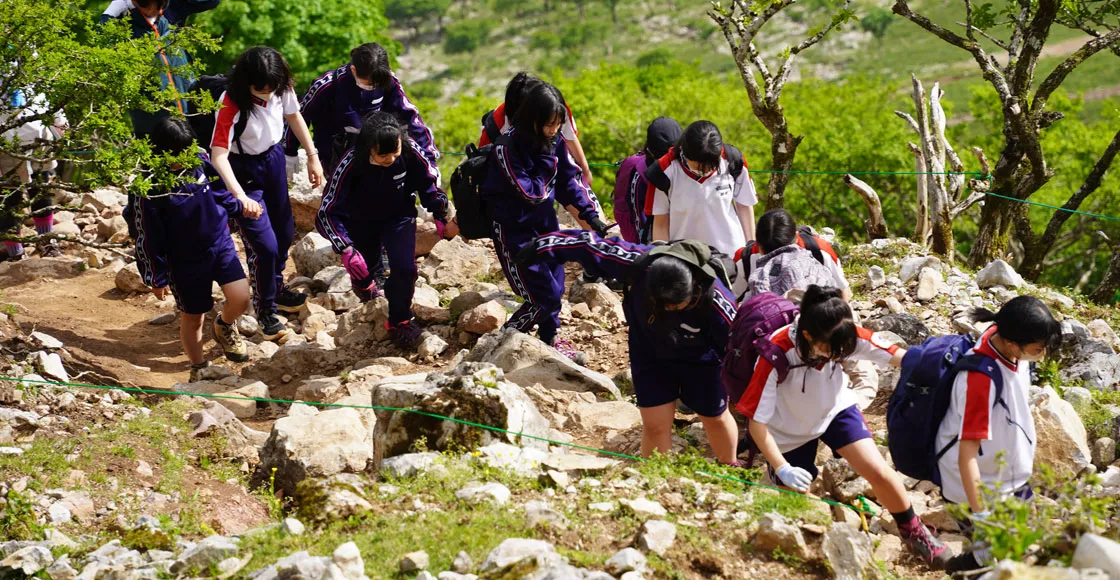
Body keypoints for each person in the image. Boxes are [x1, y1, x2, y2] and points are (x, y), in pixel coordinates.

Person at [738, 285, 952, 569]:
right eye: (831, 350)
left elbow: (902, 356)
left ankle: (915, 534)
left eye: (844, 350)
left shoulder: (843, 335)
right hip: (787, 432)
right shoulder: (776, 353)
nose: (838, 355)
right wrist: (780, 467)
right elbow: (757, 424)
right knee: (796, 503)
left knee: (879, 471)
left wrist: (948, 368)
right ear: (807, 336)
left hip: (835, 410)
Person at [518, 230, 740, 464]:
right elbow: (589, 246)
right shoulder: (637, 263)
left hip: (701, 361)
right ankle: (656, 477)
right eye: (660, 304)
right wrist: (540, 246)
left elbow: (740, 351)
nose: (668, 310)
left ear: (694, 286)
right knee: (655, 425)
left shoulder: (717, 304)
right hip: (650, 353)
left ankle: (730, 467)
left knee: (713, 416)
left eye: (676, 306)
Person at [938, 297, 1061, 575]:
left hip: (1010, 478)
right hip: (978, 489)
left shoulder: (1004, 339)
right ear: (1012, 344)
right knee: (989, 562)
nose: (1041, 354)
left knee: (1012, 550)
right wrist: (981, 520)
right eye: (1038, 348)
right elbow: (966, 456)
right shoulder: (979, 380)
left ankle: (966, 566)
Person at [481, 82, 608, 351]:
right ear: (533, 119)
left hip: (546, 227)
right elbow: (532, 194)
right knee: (544, 296)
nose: (554, 131)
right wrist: (549, 158)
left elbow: (568, 183)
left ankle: (549, 339)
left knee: (556, 287)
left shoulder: (553, 142)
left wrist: (589, 214)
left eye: (557, 125)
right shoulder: (507, 149)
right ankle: (506, 338)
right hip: (514, 232)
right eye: (549, 124)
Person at [209, 46, 324, 342]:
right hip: (242, 172)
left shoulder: (280, 85)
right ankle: (265, 311)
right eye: (259, 89)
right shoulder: (231, 101)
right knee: (265, 246)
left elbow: (294, 116)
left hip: (271, 161)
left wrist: (312, 155)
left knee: (285, 232)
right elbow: (218, 154)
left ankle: (274, 290)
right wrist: (240, 196)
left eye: (270, 89)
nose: (265, 94)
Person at [317, 112, 456, 349]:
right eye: (383, 155)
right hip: (361, 221)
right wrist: (345, 247)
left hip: (399, 217)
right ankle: (366, 288)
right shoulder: (351, 163)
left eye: (395, 152)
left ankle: (399, 320)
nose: (390, 159)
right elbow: (327, 211)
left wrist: (440, 212)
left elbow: (428, 185)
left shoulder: (411, 152)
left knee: (405, 269)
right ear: (368, 148)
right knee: (367, 273)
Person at [129, 118, 252, 382]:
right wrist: (155, 276)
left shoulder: (198, 158)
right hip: (183, 260)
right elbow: (146, 235)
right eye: (179, 154)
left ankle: (224, 326)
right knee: (193, 317)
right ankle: (198, 367)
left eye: (188, 150)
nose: (186, 158)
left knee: (241, 297)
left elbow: (219, 190)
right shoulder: (148, 185)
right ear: (163, 151)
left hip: (219, 243)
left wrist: (239, 207)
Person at [283, 42, 439, 176]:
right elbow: (298, 116)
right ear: (353, 70)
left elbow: (410, 117)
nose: (372, 87)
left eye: (376, 84)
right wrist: (290, 152)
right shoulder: (328, 86)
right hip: (336, 156)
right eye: (368, 83)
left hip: (376, 153)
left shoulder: (387, 81)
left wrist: (429, 159)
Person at [644, 120, 758, 295]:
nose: (704, 171)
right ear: (683, 151)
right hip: (685, 259)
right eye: (698, 165)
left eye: (710, 165)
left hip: (731, 257)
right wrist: (664, 260)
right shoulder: (664, 171)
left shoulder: (733, 161)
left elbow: (745, 206)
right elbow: (660, 222)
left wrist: (750, 251)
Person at [479, 72, 593, 187]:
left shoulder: (556, 107)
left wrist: (585, 172)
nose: (554, 128)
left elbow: (570, 138)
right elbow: (485, 169)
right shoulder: (498, 124)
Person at [98, 0, 191, 139]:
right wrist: (109, 14)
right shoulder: (126, 30)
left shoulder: (168, 19)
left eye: (163, 6)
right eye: (155, 8)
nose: (160, 11)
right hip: (152, 126)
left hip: (188, 119)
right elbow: (101, 47)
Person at [0, 86, 68, 261]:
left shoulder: (32, 59)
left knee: (41, 189)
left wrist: (59, 125)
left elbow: (47, 88)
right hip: (4, 142)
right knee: (7, 197)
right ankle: (15, 254)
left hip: (39, 135)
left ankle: (46, 242)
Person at [739, 209, 852, 301]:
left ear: (757, 243)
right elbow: (842, 290)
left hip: (769, 323)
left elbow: (732, 298)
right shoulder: (819, 249)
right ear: (796, 236)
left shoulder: (745, 258)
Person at [613, 117, 682, 244]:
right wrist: (642, 249)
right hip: (645, 229)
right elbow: (636, 217)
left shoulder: (681, 163)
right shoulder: (639, 174)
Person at [102, 0, 221, 28]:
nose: (159, 12)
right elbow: (102, 30)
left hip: (169, 57)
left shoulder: (179, 4)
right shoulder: (121, 6)